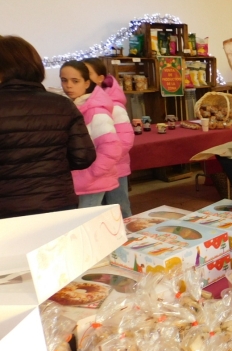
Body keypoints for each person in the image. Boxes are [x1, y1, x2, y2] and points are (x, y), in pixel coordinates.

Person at [0, 36, 96, 219]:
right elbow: (83, 157)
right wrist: (51, 162)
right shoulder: (63, 105)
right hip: (56, 202)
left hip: (6, 210)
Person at [60, 60, 121, 208]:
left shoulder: (95, 111)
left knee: (86, 223)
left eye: (75, 81)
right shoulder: (73, 108)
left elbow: (111, 148)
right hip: (78, 179)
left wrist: (91, 174)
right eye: (64, 80)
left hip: (91, 181)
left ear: (87, 83)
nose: (68, 85)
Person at [83, 58, 134, 218]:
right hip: (94, 168)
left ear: (100, 78)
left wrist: (106, 160)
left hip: (114, 167)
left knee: (120, 208)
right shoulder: (83, 102)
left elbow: (125, 139)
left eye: (88, 74)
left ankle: (131, 238)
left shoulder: (114, 105)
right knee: (102, 210)